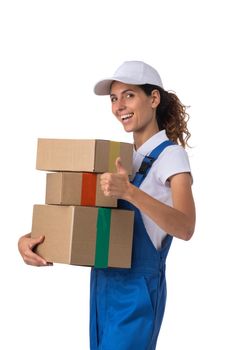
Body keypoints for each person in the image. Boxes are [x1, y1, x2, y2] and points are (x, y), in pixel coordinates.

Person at [18, 60, 196, 349]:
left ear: (153, 98)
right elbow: (86, 217)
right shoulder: (121, 158)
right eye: (114, 98)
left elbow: (186, 227)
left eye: (129, 95)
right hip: (103, 285)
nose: (119, 106)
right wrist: (31, 240)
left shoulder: (171, 156)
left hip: (138, 290)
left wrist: (130, 192)